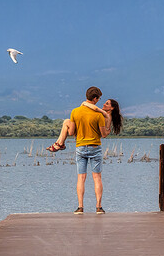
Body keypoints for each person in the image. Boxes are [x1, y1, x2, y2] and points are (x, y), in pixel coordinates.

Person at [46, 87, 123, 215]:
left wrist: (71, 126)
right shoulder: (99, 115)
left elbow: (71, 132)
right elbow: (103, 134)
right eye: (99, 99)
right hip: (95, 147)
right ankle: (98, 207)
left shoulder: (75, 111)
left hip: (80, 147)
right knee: (97, 177)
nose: (101, 102)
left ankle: (80, 207)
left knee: (81, 178)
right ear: (95, 98)